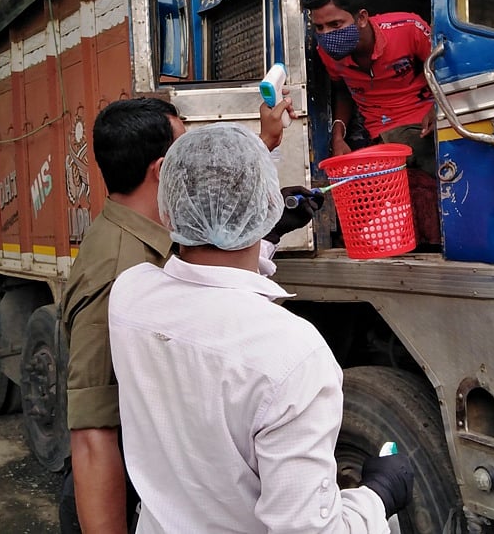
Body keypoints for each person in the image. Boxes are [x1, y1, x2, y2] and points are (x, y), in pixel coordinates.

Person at [108, 123, 414, 533]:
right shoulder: (292, 354)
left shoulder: (129, 295)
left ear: (167, 208)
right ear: (269, 202)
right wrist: (379, 495)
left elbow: (209, 286)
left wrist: (267, 237)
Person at [60, 95, 319, 533]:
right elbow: (93, 434)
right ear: (162, 171)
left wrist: (264, 212)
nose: (199, 162)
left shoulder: (152, 236)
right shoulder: (118, 274)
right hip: (128, 494)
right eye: (186, 150)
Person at [303, 0, 436, 174]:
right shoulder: (327, 53)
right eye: (319, 27)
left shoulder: (409, 28)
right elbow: (343, 90)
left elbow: (449, 73)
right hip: (378, 135)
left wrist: (438, 109)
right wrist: (338, 136)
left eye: (335, 25)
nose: (326, 35)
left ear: (362, 18)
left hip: (425, 125)